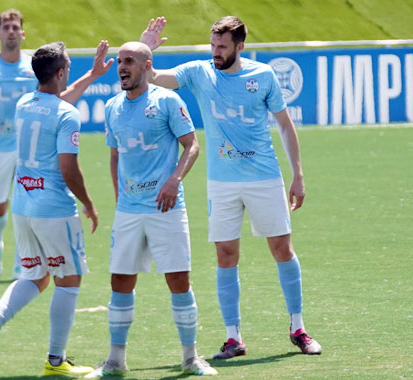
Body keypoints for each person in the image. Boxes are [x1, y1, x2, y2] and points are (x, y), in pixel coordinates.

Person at [139, 16, 322, 358]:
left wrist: (297, 174)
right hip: (221, 182)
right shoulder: (199, 72)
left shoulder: (263, 75)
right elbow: (153, 79)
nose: (216, 52)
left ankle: (298, 327)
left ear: (240, 46)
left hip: (264, 177)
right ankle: (233, 337)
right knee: (225, 255)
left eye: (222, 46)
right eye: (213, 44)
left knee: (282, 248)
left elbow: (284, 125)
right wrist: (145, 48)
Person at [85, 42, 216, 379]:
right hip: (129, 210)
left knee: (178, 280)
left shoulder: (168, 101)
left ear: (147, 65)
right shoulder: (113, 107)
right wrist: (118, 197)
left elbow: (192, 145)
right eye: (120, 62)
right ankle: (115, 361)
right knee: (120, 282)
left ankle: (191, 358)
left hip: (166, 208)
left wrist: (174, 180)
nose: (122, 67)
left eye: (129, 61)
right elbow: (114, 155)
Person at [0, 41, 99, 377]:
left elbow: (56, 101)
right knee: (68, 280)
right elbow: (69, 168)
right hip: (53, 207)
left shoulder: (25, 103)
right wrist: (87, 202)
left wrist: (93, 75)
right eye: (67, 67)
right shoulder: (67, 115)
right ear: (59, 73)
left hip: (23, 206)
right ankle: (56, 361)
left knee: (36, 276)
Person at [0, 9, 113, 278]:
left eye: (15, 27)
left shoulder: (32, 66)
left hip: (29, 151)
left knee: (26, 201)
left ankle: (19, 261)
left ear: (22, 33)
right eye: (6, 27)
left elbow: (55, 102)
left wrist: (93, 75)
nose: (11, 31)